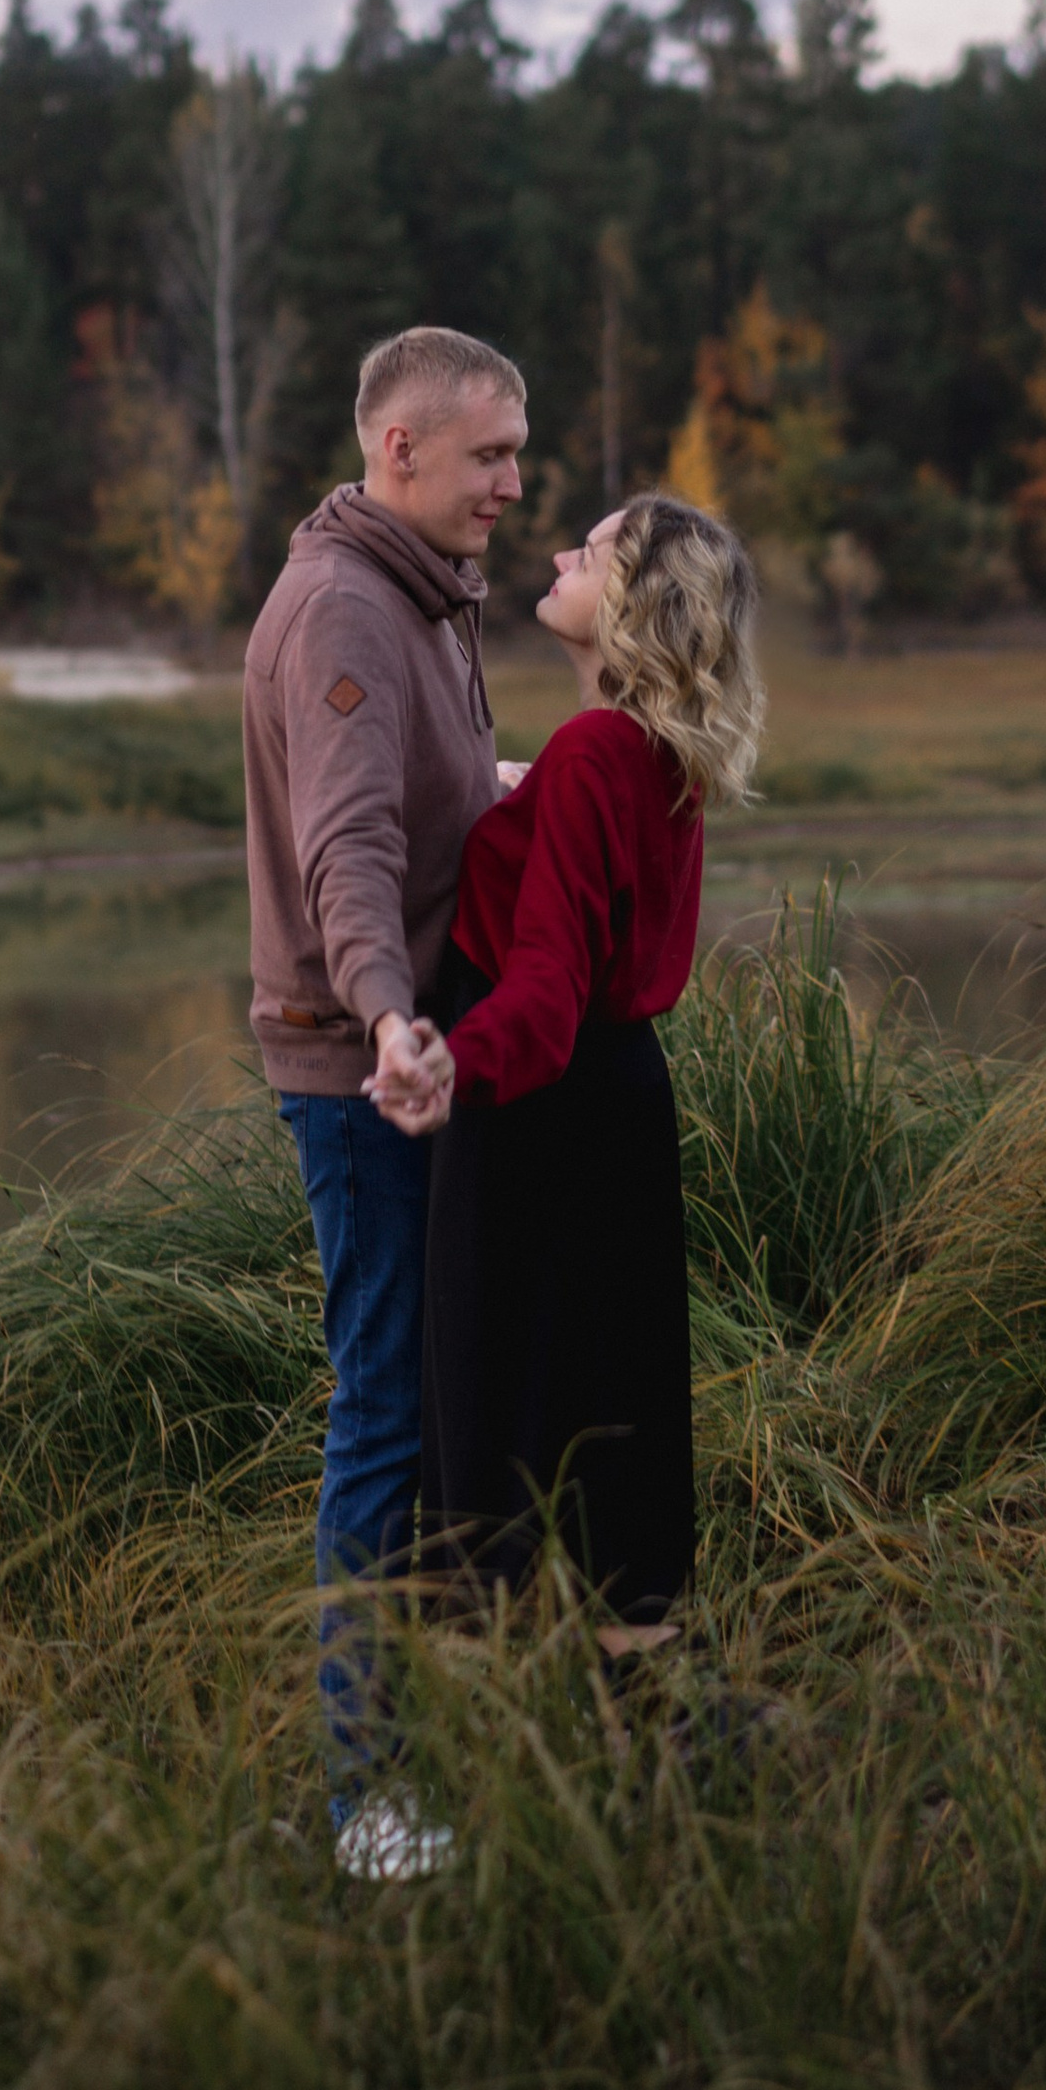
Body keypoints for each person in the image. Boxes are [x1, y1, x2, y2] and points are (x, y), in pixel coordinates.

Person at [370, 494, 763, 1658]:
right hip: (619, 1106)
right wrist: (513, 795)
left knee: (488, 1417)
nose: (557, 555)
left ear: (632, 600)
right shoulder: (651, 748)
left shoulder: (597, 752)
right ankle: (645, 1727)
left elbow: (543, 992)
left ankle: (474, 1734)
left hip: (535, 1109)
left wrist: (445, 1062)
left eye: (588, 552)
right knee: (611, 1410)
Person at [241, 326, 526, 1873]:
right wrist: (393, 1021)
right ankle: (365, 1800)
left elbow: (421, 800)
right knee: (384, 1425)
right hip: (366, 1082)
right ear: (400, 452)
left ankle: (425, 1731)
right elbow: (345, 852)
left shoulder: (421, 593)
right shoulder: (351, 607)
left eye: (516, 452)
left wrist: (508, 793)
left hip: (402, 1060)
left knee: (427, 1409)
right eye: (488, 455)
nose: (514, 483)